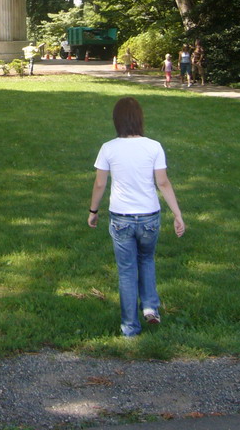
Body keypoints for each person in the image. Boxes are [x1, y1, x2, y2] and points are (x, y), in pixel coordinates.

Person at [88, 97, 185, 337]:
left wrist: (93, 211)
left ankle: (130, 327)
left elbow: (100, 184)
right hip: (149, 216)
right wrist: (177, 213)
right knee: (147, 260)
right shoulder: (153, 146)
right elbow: (162, 182)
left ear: (117, 121)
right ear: (139, 119)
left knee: (127, 270)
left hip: (121, 217)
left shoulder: (108, 148)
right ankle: (150, 307)